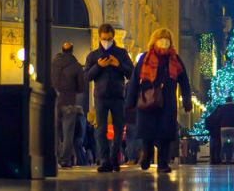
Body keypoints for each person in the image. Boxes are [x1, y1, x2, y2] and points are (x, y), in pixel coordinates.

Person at [125, 28, 191, 173]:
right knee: (147, 132)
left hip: (167, 102)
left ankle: (162, 163)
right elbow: (135, 81)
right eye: (161, 39)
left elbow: (184, 81)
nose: (164, 42)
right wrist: (130, 101)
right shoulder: (145, 58)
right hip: (148, 100)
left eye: (167, 40)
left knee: (165, 133)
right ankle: (147, 154)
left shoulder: (175, 59)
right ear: (155, 41)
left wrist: (187, 100)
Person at [84, 25, 135, 172]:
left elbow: (131, 73)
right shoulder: (93, 56)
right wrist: (98, 66)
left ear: (113, 38)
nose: (107, 41)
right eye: (104, 39)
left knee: (119, 129)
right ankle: (104, 160)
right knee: (101, 129)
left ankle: (114, 158)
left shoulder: (121, 53)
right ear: (99, 38)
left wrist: (118, 65)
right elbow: (86, 76)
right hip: (100, 96)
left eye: (109, 39)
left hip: (118, 96)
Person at [51, 42, 86, 168]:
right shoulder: (76, 66)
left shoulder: (53, 64)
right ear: (72, 51)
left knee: (54, 132)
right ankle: (64, 160)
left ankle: (53, 158)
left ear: (61, 50)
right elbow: (81, 87)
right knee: (68, 134)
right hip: (69, 102)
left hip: (54, 102)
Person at [215, 97, 234, 164]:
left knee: (223, 143)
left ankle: (224, 159)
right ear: (232, 100)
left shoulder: (222, 108)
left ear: (226, 101)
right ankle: (233, 159)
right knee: (233, 143)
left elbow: (218, 117)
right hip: (232, 127)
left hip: (224, 128)